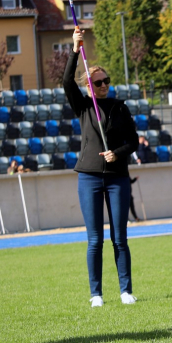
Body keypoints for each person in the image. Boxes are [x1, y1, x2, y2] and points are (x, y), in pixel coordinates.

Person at [65, 27, 139, 308]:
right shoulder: (83, 107)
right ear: (89, 87)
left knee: (119, 238)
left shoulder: (120, 108)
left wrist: (116, 153)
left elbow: (133, 141)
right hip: (89, 177)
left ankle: (125, 290)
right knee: (94, 239)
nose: (104, 85)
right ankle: (96, 294)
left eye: (106, 81)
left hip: (117, 177)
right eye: (98, 83)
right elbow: (65, 82)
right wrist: (75, 49)